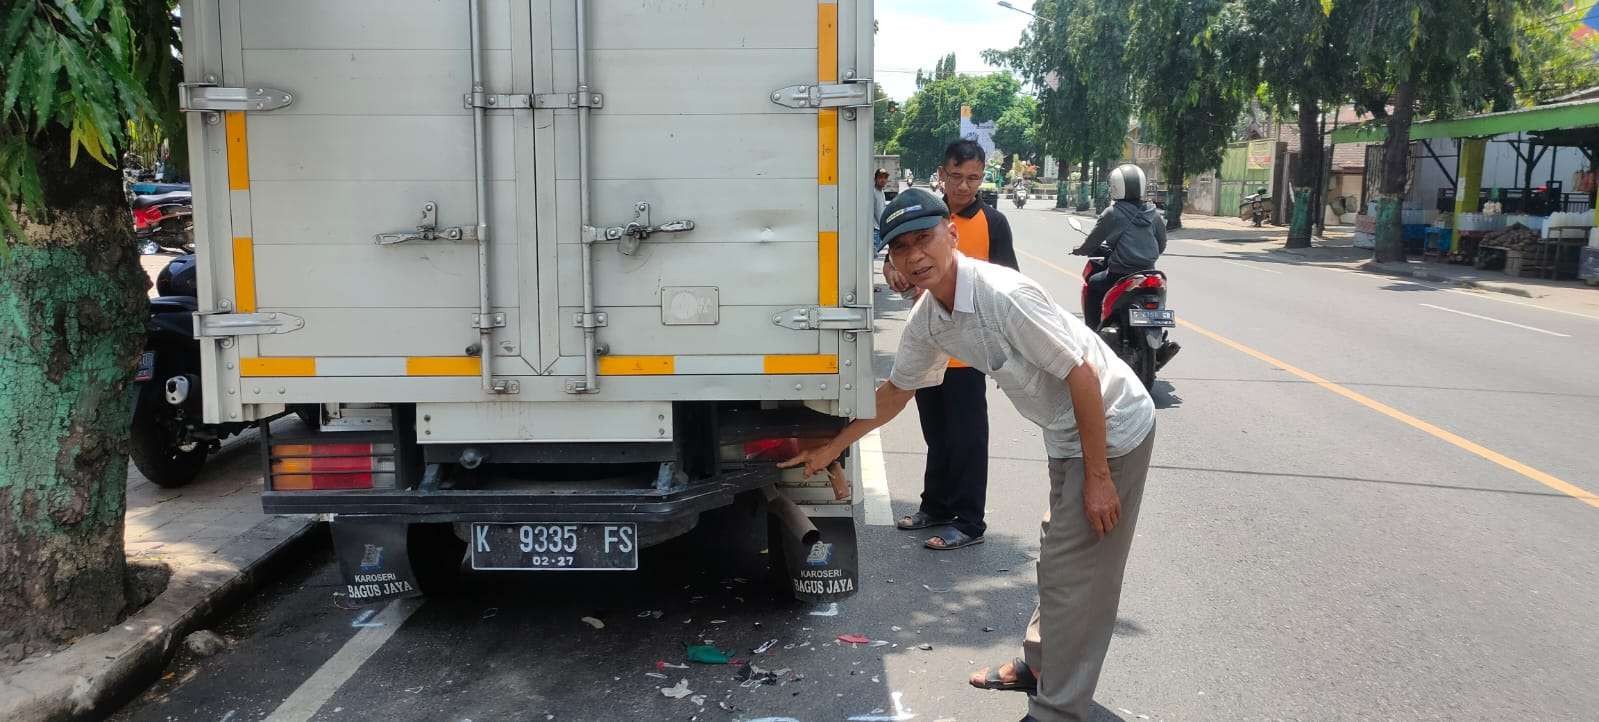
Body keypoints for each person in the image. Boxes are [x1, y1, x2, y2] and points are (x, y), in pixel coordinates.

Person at [782, 187, 1156, 722]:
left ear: (951, 234)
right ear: (890, 259)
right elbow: (895, 392)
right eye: (900, 247)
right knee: (1059, 561)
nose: (915, 256)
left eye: (925, 239)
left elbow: (1083, 374)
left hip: (1112, 430)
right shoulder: (932, 317)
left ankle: (1057, 710)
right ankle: (1039, 664)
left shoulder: (1003, 296)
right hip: (1066, 435)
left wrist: (1098, 476)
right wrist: (832, 448)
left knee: (1081, 579)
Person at [883, 139, 1016, 551]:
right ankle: (935, 506)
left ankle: (970, 521)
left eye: (973, 178)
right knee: (936, 434)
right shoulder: (923, 212)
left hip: (968, 351)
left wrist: (1002, 350)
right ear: (942, 174)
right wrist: (892, 272)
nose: (963, 186)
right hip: (929, 341)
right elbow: (894, 256)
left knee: (968, 438)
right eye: (955, 176)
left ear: (982, 177)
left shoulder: (993, 223)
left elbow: (1008, 282)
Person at [1073, 164, 1166, 330]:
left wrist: (1081, 250)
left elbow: (1092, 242)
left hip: (1120, 274)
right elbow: (1161, 245)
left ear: (1115, 187)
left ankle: (1093, 334)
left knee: (1093, 284)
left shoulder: (1112, 213)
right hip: (1149, 272)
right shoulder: (1154, 214)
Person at [871, 168, 890, 256]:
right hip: (875, 230)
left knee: (873, 256)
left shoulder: (881, 191)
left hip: (879, 229)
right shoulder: (873, 192)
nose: (883, 180)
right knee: (871, 255)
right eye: (880, 177)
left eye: (885, 177)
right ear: (875, 179)